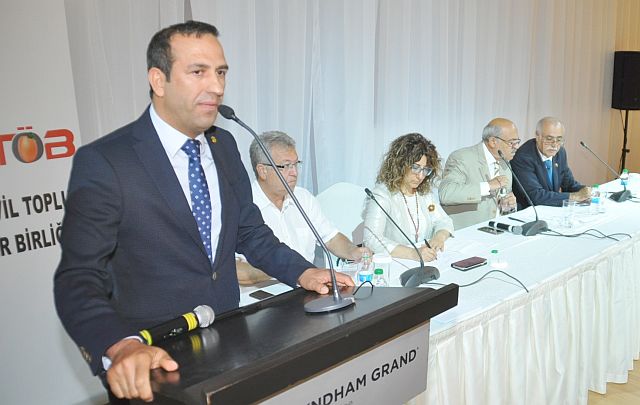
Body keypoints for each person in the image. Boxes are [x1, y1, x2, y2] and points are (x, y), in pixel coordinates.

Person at [53, 21, 353, 403]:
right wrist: (119, 345)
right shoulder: (107, 161)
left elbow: (249, 232)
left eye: (221, 72)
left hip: (231, 347)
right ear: (158, 80)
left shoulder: (224, 145)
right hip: (153, 366)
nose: (216, 86)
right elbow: (78, 278)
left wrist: (304, 271)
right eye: (198, 72)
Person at [236, 131, 371, 285]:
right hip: (264, 293)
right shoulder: (241, 206)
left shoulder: (303, 198)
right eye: (286, 166)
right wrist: (288, 269)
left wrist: (353, 251)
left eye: (296, 164)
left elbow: (331, 238)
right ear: (263, 171)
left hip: (306, 287)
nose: (294, 172)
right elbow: (235, 270)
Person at [362, 133, 454, 262]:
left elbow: (444, 221)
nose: (420, 176)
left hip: (426, 260)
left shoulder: (424, 194)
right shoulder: (381, 195)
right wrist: (413, 254)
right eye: (415, 168)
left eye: (425, 170)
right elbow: (372, 239)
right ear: (400, 165)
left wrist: (439, 237)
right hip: (396, 262)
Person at [439, 118, 520, 229]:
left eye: (517, 142)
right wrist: (488, 186)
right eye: (511, 143)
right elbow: (446, 194)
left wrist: (509, 206)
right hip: (466, 232)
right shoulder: (462, 158)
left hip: (496, 230)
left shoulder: (505, 163)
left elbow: (503, 204)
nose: (516, 147)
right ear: (493, 141)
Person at [510, 117, 590, 207]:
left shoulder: (560, 153)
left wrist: (586, 191)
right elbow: (536, 196)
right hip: (529, 211)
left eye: (559, 140)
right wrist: (574, 197)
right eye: (549, 139)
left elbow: (569, 184)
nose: (554, 145)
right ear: (537, 136)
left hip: (551, 209)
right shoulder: (523, 157)